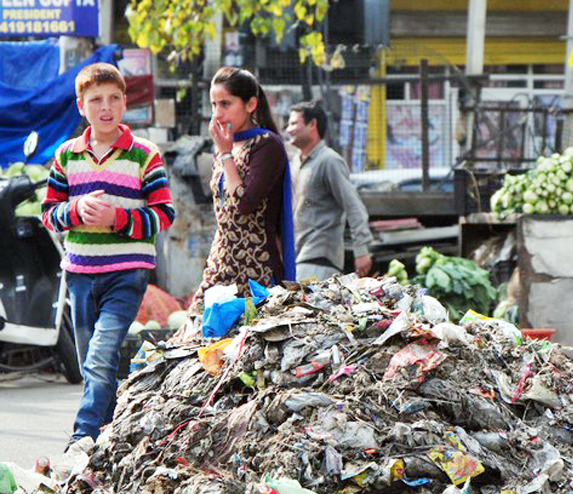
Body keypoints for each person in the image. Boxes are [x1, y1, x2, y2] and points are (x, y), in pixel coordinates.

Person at [41, 63, 175, 447]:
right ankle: (113, 435)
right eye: (96, 100)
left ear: (124, 103)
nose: (106, 107)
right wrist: (76, 210)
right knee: (92, 364)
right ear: (81, 106)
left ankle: (82, 437)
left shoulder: (145, 155)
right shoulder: (66, 156)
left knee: (100, 357)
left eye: (114, 98)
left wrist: (117, 218)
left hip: (127, 274)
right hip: (81, 273)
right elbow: (49, 213)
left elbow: (164, 214)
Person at [186, 67, 295, 318]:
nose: (218, 113)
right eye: (214, 105)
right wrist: (225, 152)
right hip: (220, 263)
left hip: (256, 269)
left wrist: (226, 155)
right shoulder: (225, 146)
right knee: (194, 330)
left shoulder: (266, 145)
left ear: (250, 104)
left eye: (225, 104)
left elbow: (244, 204)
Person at [286, 100, 373, 280]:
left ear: (312, 124)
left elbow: (353, 206)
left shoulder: (329, 161)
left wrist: (361, 249)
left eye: (294, 123)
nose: (289, 129)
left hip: (320, 258)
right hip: (298, 256)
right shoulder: (295, 162)